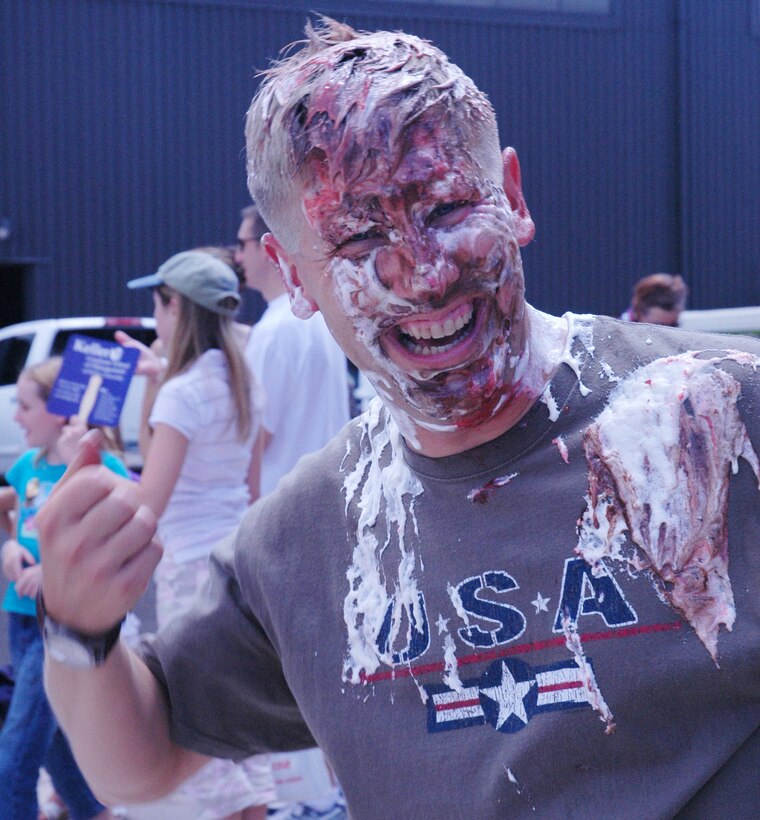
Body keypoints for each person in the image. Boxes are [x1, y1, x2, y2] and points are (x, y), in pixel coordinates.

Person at [36, 19, 760, 818]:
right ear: (291, 275)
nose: (423, 272)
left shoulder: (723, 420)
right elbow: (138, 765)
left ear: (512, 197)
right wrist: (78, 629)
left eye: (447, 206)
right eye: (360, 238)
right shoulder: (304, 538)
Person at [117, 250, 275, 819]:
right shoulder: (242, 385)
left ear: (176, 307)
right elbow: (252, 488)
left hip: (184, 570)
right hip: (235, 561)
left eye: (158, 304)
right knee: (236, 718)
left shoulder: (182, 395)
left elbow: (149, 506)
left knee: (191, 721)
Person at [0, 357, 126, 819]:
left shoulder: (102, 466)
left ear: (58, 411)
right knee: (48, 741)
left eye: (25, 406)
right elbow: (15, 517)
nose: (15, 416)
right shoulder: (27, 467)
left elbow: (119, 538)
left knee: (12, 759)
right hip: (21, 617)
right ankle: (96, 813)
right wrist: (10, 549)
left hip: (62, 622)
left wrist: (53, 576)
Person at [235, 203, 350, 497]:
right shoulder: (319, 317)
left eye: (241, 244)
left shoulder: (273, 331)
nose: (237, 257)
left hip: (281, 505)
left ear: (266, 247)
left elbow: (255, 439)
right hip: (326, 497)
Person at [619, 272, 688, 326]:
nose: (668, 333)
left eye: (673, 326)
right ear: (638, 313)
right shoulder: (615, 338)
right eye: (659, 326)